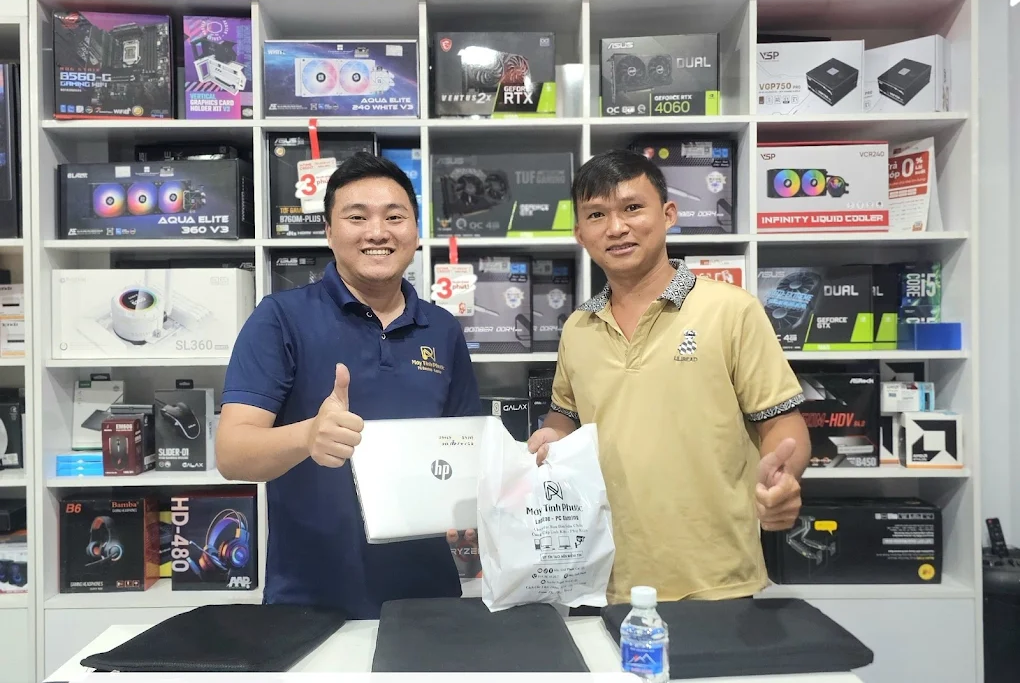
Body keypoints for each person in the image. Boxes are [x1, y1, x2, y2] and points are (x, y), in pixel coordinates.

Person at [527, 151, 810, 605]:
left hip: (716, 578)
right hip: (604, 579)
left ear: (669, 214)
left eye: (632, 208)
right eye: (597, 215)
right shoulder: (578, 328)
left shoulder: (731, 310)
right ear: (580, 234)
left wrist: (781, 480)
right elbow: (566, 417)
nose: (616, 227)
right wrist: (550, 437)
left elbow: (782, 422)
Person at [216, 153, 481, 618]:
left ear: (416, 232)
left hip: (429, 597)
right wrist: (307, 435)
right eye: (357, 217)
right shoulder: (280, 318)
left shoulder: (442, 329)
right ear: (328, 231)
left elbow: (466, 449)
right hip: (310, 599)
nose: (377, 232)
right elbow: (232, 454)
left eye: (394, 217)